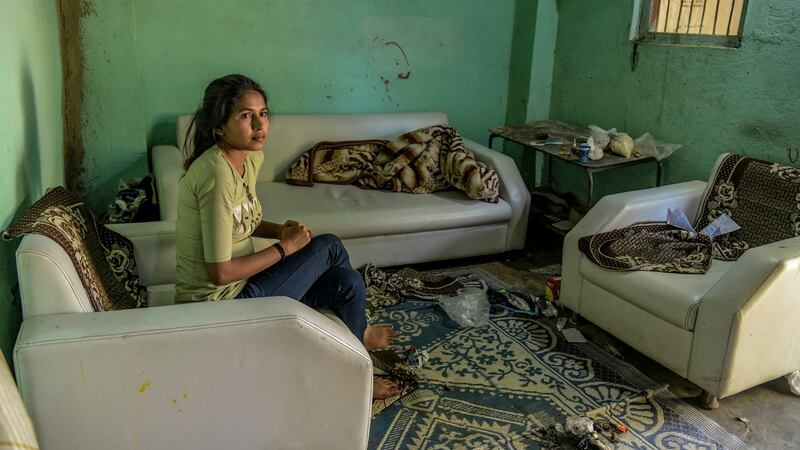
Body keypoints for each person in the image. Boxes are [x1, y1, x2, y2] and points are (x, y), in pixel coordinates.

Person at [175, 74, 400, 399]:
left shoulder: (247, 159)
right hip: (219, 306)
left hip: (243, 288)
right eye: (245, 115)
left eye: (263, 113)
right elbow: (220, 272)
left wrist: (279, 230)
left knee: (348, 284)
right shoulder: (215, 174)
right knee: (330, 246)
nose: (258, 124)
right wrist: (285, 247)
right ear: (219, 126)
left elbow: (240, 222)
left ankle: (354, 357)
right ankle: (357, 379)